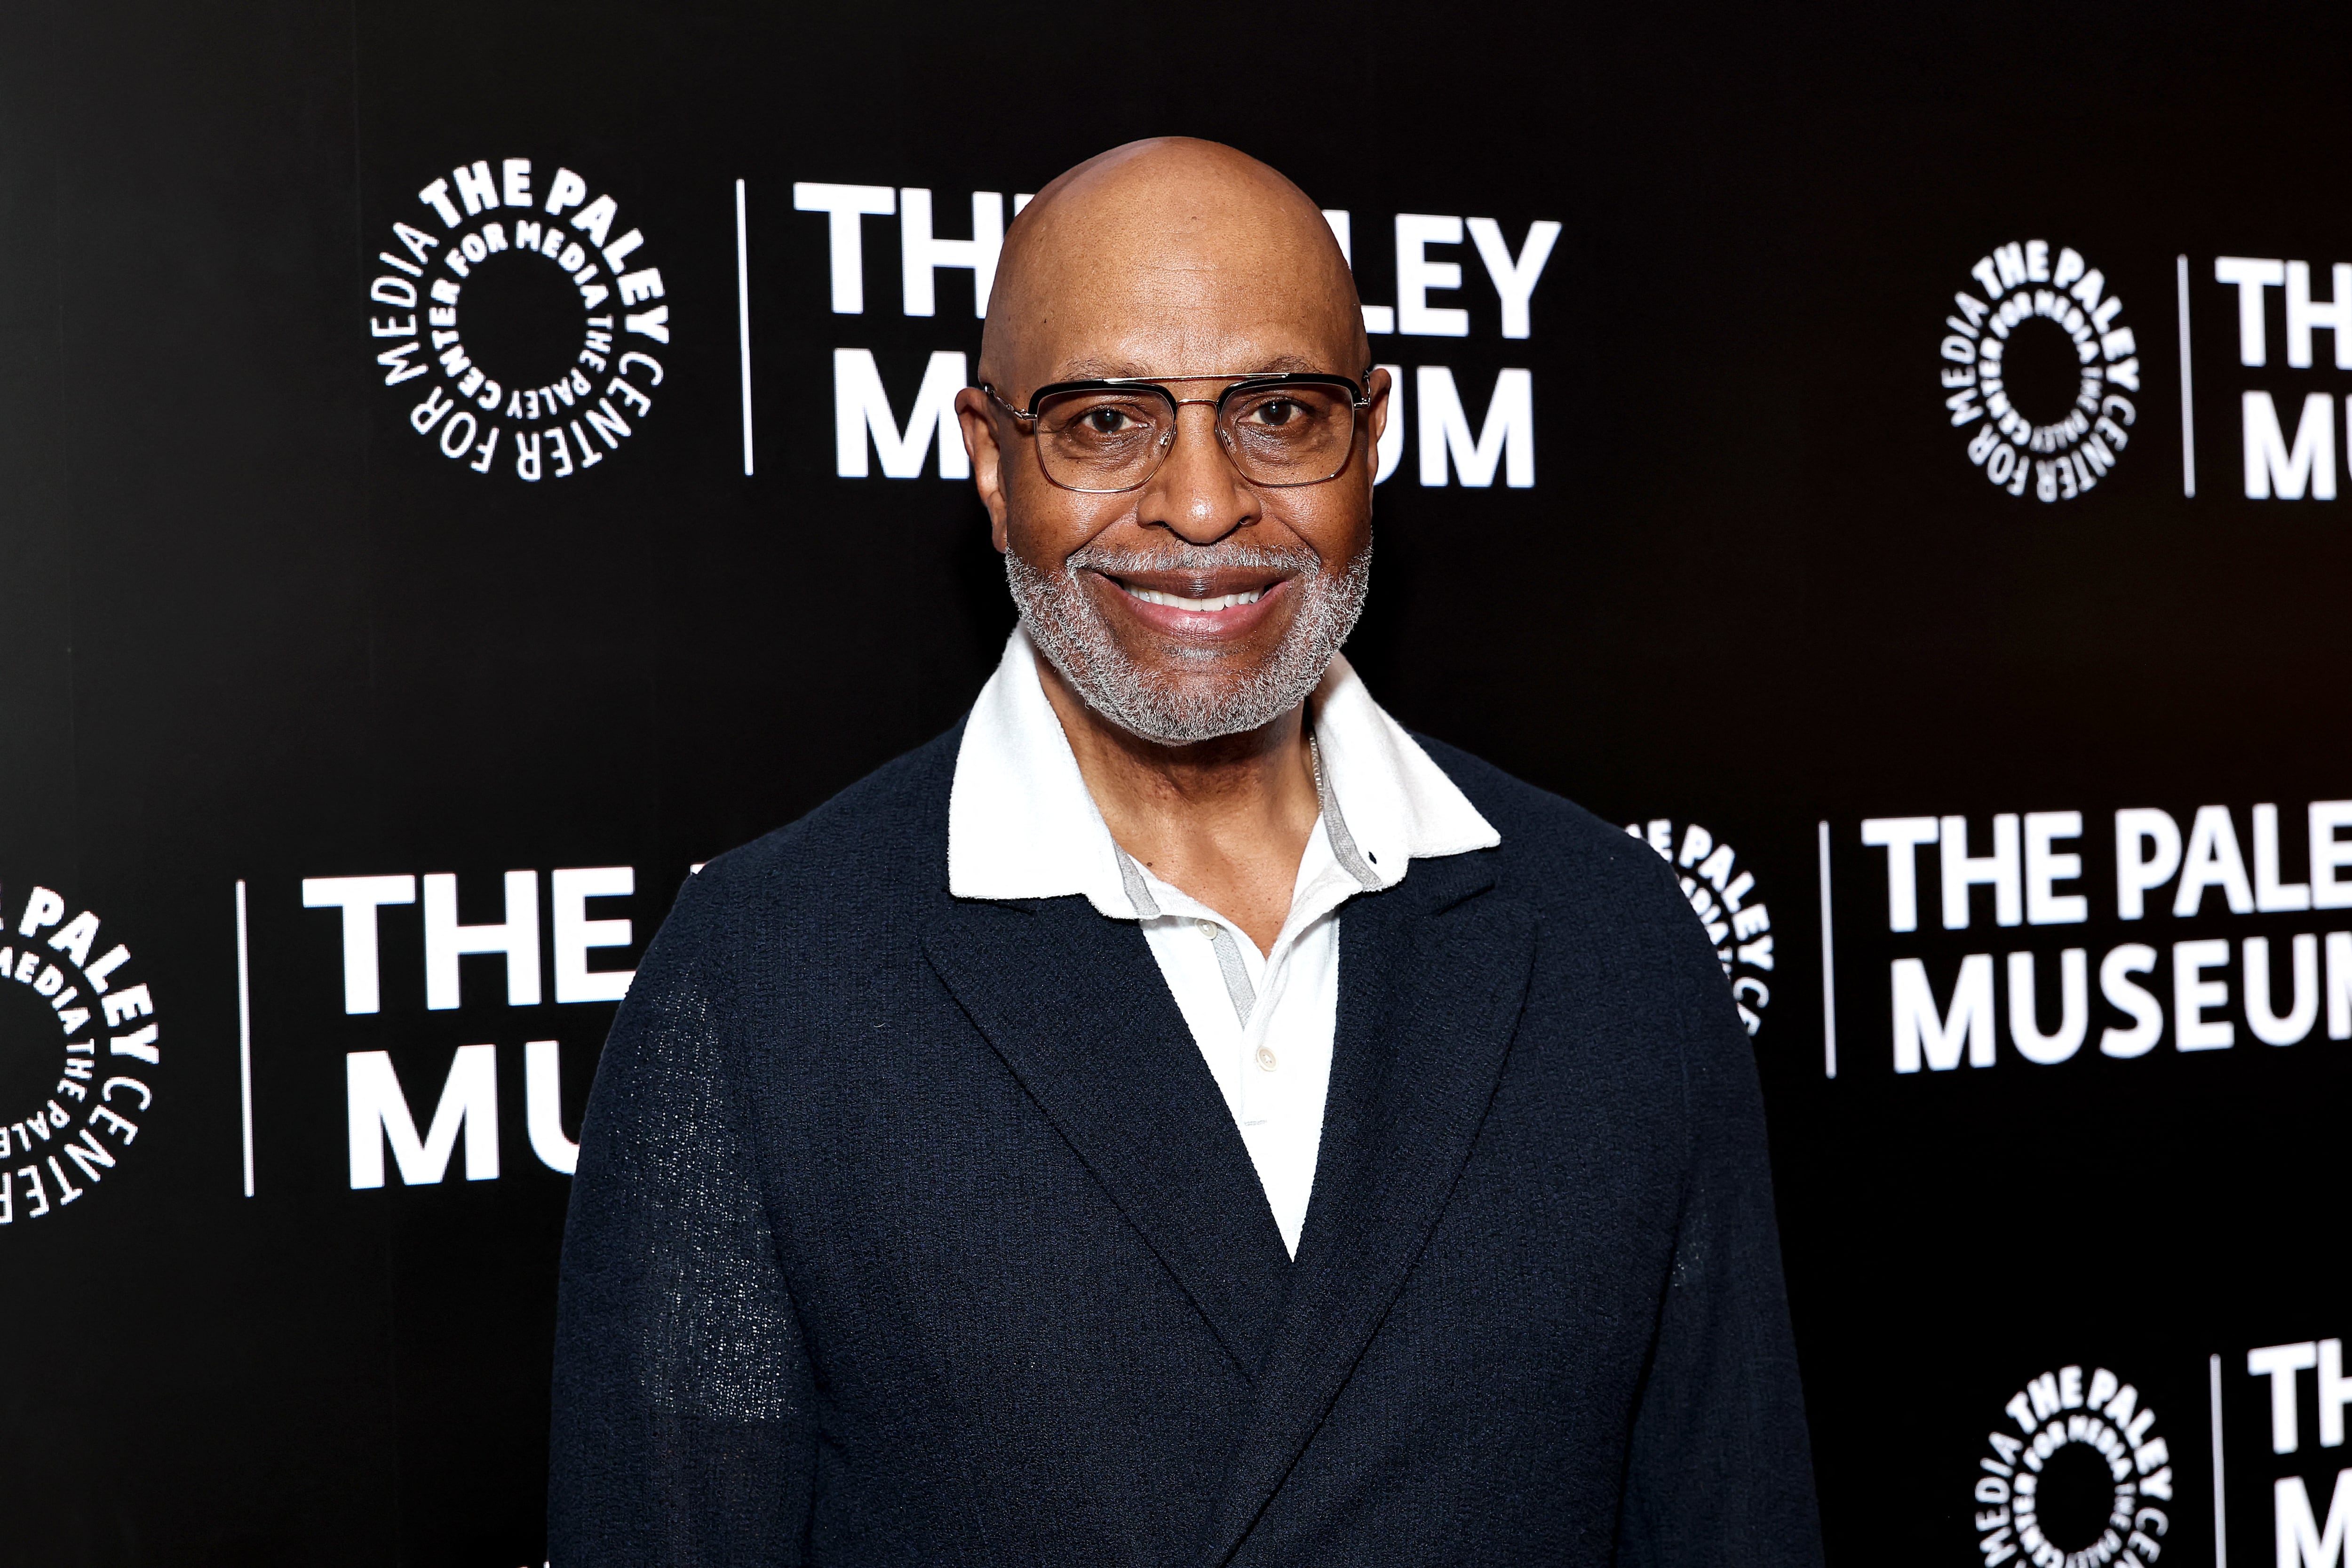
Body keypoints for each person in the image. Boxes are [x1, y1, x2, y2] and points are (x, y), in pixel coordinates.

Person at [548, 137, 1822, 1566]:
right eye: (1107, 421)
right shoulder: (764, 982)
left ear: (1373, 435)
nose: (1206, 506)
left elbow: (1733, 1517)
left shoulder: (1613, 938)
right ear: (989, 455)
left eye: (1278, 412)